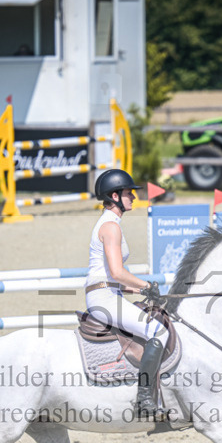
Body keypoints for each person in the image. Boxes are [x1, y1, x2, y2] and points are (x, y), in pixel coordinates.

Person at [86, 169, 167, 418]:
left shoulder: (111, 224)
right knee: (158, 331)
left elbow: (114, 278)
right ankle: (144, 399)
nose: (133, 196)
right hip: (104, 297)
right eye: (128, 192)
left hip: (109, 293)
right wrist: (146, 286)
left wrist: (137, 289)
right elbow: (117, 272)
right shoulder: (110, 227)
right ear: (115, 195)